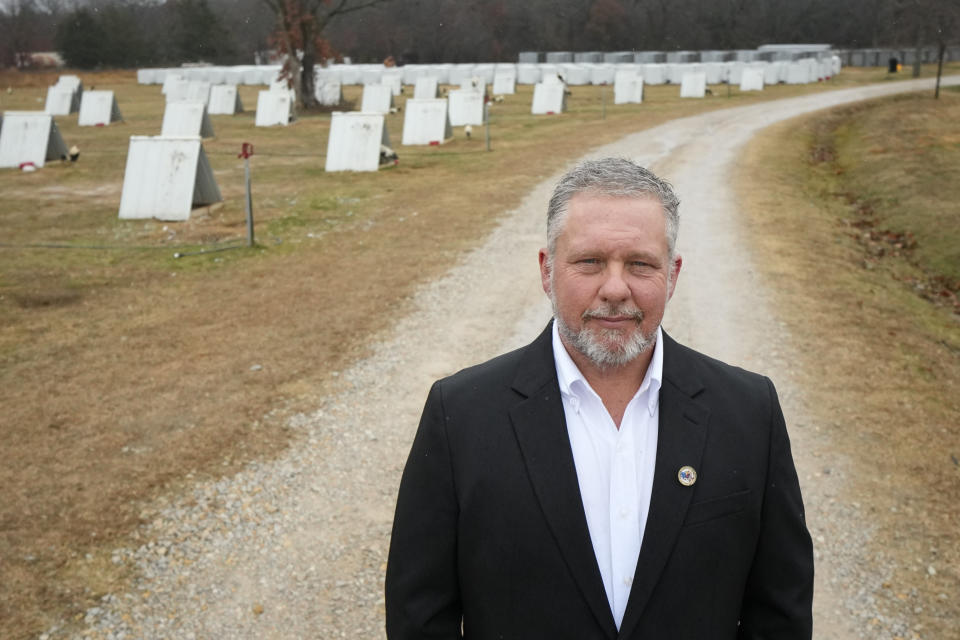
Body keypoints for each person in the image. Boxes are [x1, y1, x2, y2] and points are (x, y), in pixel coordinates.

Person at [385, 157, 814, 639]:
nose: (615, 288)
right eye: (589, 262)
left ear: (672, 275)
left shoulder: (750, 412)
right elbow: (419, 616)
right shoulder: (459, 415)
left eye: (640, 264)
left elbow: (781, 613)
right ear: (548, 271)